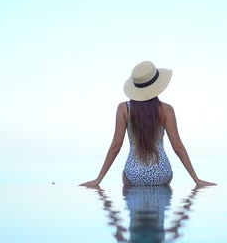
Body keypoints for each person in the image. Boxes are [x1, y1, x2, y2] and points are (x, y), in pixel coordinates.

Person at [79, 61, 216, 187]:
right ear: (157, 85)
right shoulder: (166, 110)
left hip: (134, 175)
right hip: (162, 173)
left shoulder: (124, 109)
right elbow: (178, 147)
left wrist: (98, 180)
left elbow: (115, 147)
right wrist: (196, 179)